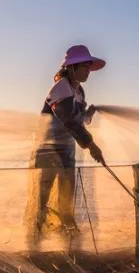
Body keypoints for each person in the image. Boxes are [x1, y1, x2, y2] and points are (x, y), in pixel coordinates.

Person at [26, 44, 107, 247]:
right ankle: (34, 240)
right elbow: (68, 120)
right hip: (47, 149)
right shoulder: (61, 87)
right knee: (43, 197)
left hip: (67, 150)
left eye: (89, 67)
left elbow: (78, 120)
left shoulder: (79, 92)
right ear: (71, 68)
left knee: (67, 193)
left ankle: (67, 239)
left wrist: (88, 114)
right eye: (84, 66)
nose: (88, 71)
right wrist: (91, 144)